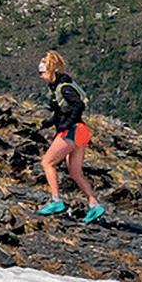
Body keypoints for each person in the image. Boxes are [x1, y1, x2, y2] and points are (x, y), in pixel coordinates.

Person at [38, 51, 103, 223]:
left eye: (42, 72)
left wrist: (65, 125)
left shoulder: (64, 88)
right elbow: (62, 111)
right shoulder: (59, 86)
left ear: (50, 70)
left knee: (47, 163)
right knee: (75, 172)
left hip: (72, 131)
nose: (40, 76)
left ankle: (56, 201)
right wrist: (50, 122)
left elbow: (78, 106)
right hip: (81, 132)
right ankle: (94, 205)